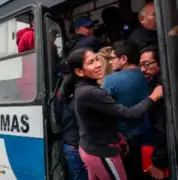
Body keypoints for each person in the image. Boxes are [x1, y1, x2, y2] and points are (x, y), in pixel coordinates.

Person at [62, 48, 163, 180]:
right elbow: (130, 113)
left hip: (90, 148)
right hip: (102, 152)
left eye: (97, 59)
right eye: (91, 62)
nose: (98, 64)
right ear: (79, 72)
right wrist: (154, 96)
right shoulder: (91, 92)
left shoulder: (83, 88)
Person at [102, 40, 150, 179]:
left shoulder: (111, 80)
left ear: (123, 59)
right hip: (149, 137)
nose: (110, 62)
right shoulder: (148, 75)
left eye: (112, 59)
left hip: (125, 140)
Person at [140, 45, 168, 179]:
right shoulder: (154, 83)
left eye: (146, 64)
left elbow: (161, 127)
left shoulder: (162, 89)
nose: (142, 69)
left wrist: (158, 163)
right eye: (141, 65)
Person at [55, 73, 88, 180]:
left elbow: (58, 119)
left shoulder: (61, 99)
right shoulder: (81, 100)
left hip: (69, 145)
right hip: (80, 145)